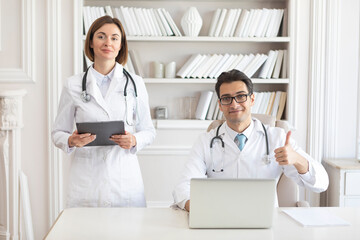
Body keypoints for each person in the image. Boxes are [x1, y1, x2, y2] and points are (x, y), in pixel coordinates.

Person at [173, 69, 329, 211]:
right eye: (226, 99)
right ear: (220, 105)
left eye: (240, 96)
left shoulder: (277, 138)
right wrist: (196, 207)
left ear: (252, 99)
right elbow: (183, 186)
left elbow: (321, 184)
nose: (234, 104)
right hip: (220, 222)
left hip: (265, 223)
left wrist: (297, 160)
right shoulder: (206, 141)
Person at [52, 16, 155, 207]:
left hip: (125, 182)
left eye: (115, 38)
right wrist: (71, 140)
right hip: (87, 183)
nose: (108, 42)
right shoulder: (73, 85)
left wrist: (134, 140)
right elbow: (57, 132)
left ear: (121, 45)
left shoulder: (135, 83)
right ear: (91, 42)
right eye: (101, 36)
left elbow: (149, 130)